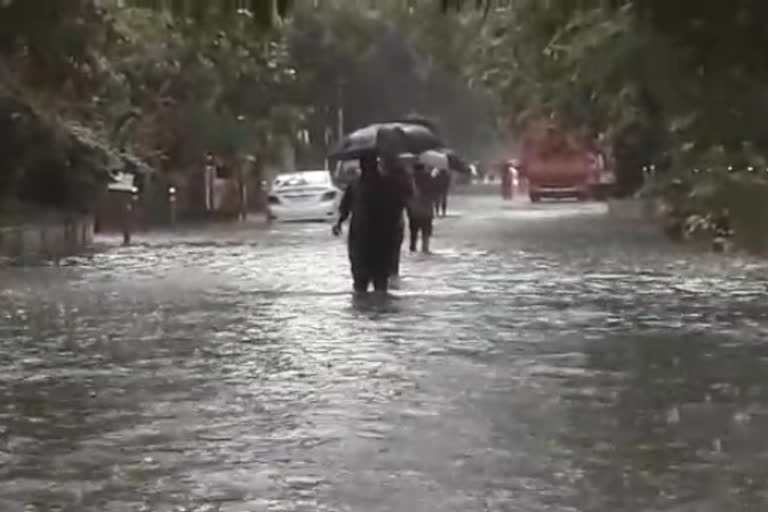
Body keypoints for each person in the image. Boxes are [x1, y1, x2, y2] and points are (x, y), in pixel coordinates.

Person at [333, 137, 413, 293]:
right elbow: (346, 207)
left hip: (371, 238)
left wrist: (339, 222)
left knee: (369, 281)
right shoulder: (366, 184)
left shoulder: (377, 183)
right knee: (371, 281)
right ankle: (376, 306)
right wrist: (339, 222)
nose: (366, 167)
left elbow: (345, 207)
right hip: (371, 238)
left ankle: (368, 306)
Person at [408, 164, 436, 253]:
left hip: (414, 208)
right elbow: (434, 191)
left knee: (414, 230)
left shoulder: (410, 179)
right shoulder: (429, 178)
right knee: (426, 228)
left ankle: (412, 247)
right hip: (426, 207)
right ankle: (425, 247)